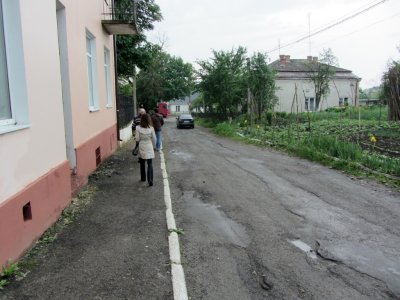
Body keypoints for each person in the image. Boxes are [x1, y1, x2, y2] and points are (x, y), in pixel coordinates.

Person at [135, 114, 156, 186]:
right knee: (150, 164)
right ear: (149, 120)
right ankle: (150, 180)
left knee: (142, 162)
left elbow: (137, 139)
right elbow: (154, 139)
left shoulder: (138, 128)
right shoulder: (151, 128)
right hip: (149, 146)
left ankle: (143, 178)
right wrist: (154, 146)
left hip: (142, 146)